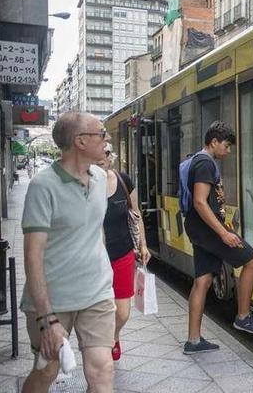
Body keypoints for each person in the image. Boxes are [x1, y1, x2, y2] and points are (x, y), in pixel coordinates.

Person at [21, 112, 115, 393]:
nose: (107, 138)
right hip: (54, 299)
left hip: (97, 293)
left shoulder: (100, 178)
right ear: (81, 141)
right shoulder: (42, 186)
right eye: (101, 133)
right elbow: (33, 257)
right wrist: (47, 318)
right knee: (47, 370)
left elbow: (94, 231)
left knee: (102, 369)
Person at [183, 121, 253, 355]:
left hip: (200, 230)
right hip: (209, 231)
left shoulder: (201, 161)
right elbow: (200, 202)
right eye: (226, 146)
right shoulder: (205, 163)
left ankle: (194, 340)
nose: (228, 151)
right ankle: (243, 316)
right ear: (214, 142)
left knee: (203, 281)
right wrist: (224, 233)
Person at [99, 143, 151, 361]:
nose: (103, 157)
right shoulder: (83, 183)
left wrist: (143, 245)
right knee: (100, 310)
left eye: (107, 153)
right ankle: (100, 345)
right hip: (94, 259)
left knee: (122, 312)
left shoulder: (123, 180)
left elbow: (135, 214)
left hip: (122, 253)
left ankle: (114, 336)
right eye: (99, 152)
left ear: (112, 157)